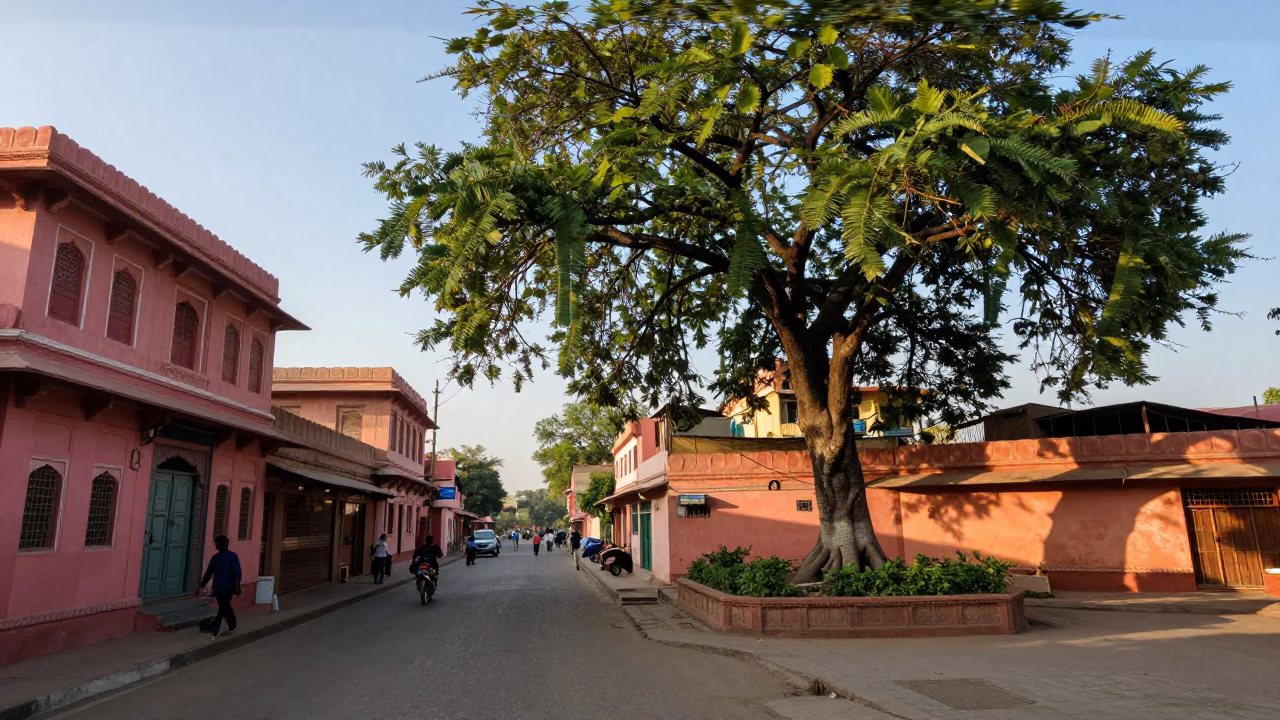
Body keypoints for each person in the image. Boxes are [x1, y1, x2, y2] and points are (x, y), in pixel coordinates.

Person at [199, 535, 241, 639]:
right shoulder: (230, 556)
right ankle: (231, 625)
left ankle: (216, 628)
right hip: (225, 587)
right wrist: (237, 586)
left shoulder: (219, 557)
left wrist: (202, 585)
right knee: (225, 606)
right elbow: (237, 573)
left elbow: (209, 573)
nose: (216, 545)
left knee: (223, 607)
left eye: (217, 543)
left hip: (221, 587)